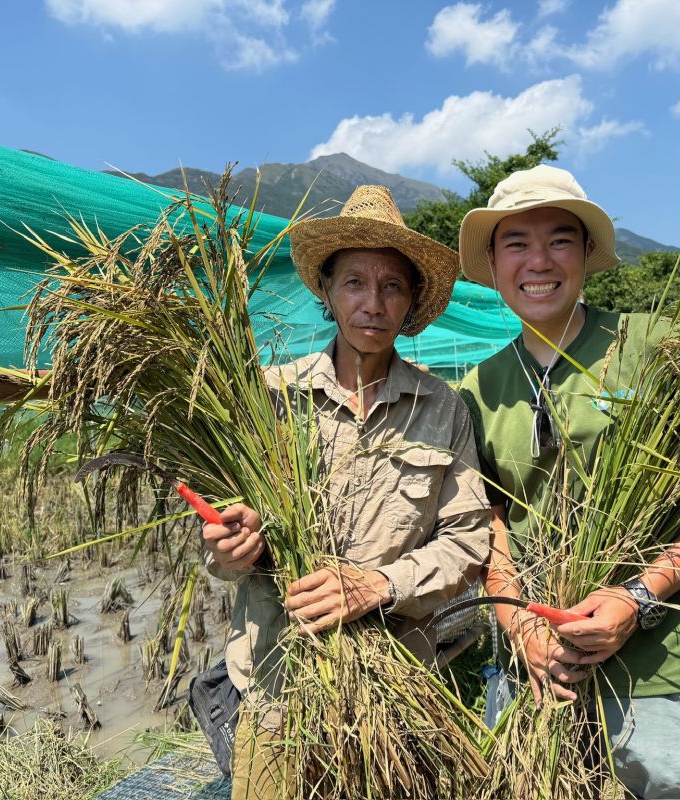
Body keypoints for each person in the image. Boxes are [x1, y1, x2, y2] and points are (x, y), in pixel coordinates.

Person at [201, 185, 491, 800]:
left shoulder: (444, 410)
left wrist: (380, 587)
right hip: (278, 689)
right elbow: (221, 535)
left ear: (412, 303)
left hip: (402, 688)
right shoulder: (268, 398)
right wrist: (231, 549)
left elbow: (468, 542)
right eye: (355, 282)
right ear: (326, 294)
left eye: (393, 287)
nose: (374, 303)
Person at [457, 165, 680, 799]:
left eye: (559, 239)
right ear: (495, 263)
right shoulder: (479, 386)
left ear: (586, 253)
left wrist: (635, 600)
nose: (539, 261)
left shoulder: (655, 345)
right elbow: (489, 519)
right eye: (516, 243)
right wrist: (522, 630)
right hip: (540, 665)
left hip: (663, 660)